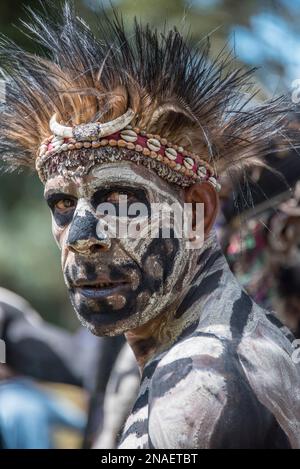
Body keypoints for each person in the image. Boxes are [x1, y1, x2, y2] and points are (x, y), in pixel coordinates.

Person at [0, 3, 299, 449]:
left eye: (119, 202)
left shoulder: (198, 391)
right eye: (63, 204)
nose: (83, 240)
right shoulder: (208, 352)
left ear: (197, 212)